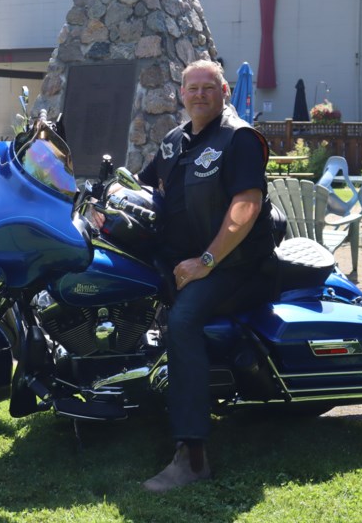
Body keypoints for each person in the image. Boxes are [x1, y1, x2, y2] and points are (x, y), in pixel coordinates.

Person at [94, 59, 276, 492]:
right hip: (184, 260)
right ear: (180, 94)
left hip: (236, 265)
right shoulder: (176, 141)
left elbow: (246, 206)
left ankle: (192, 456)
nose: (198, 94)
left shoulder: (240, 139)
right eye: (191, 88)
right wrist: (103, 200)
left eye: (207, 87)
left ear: (224, 91)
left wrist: (206, 262)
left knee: (184, 321)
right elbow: (141, 186)